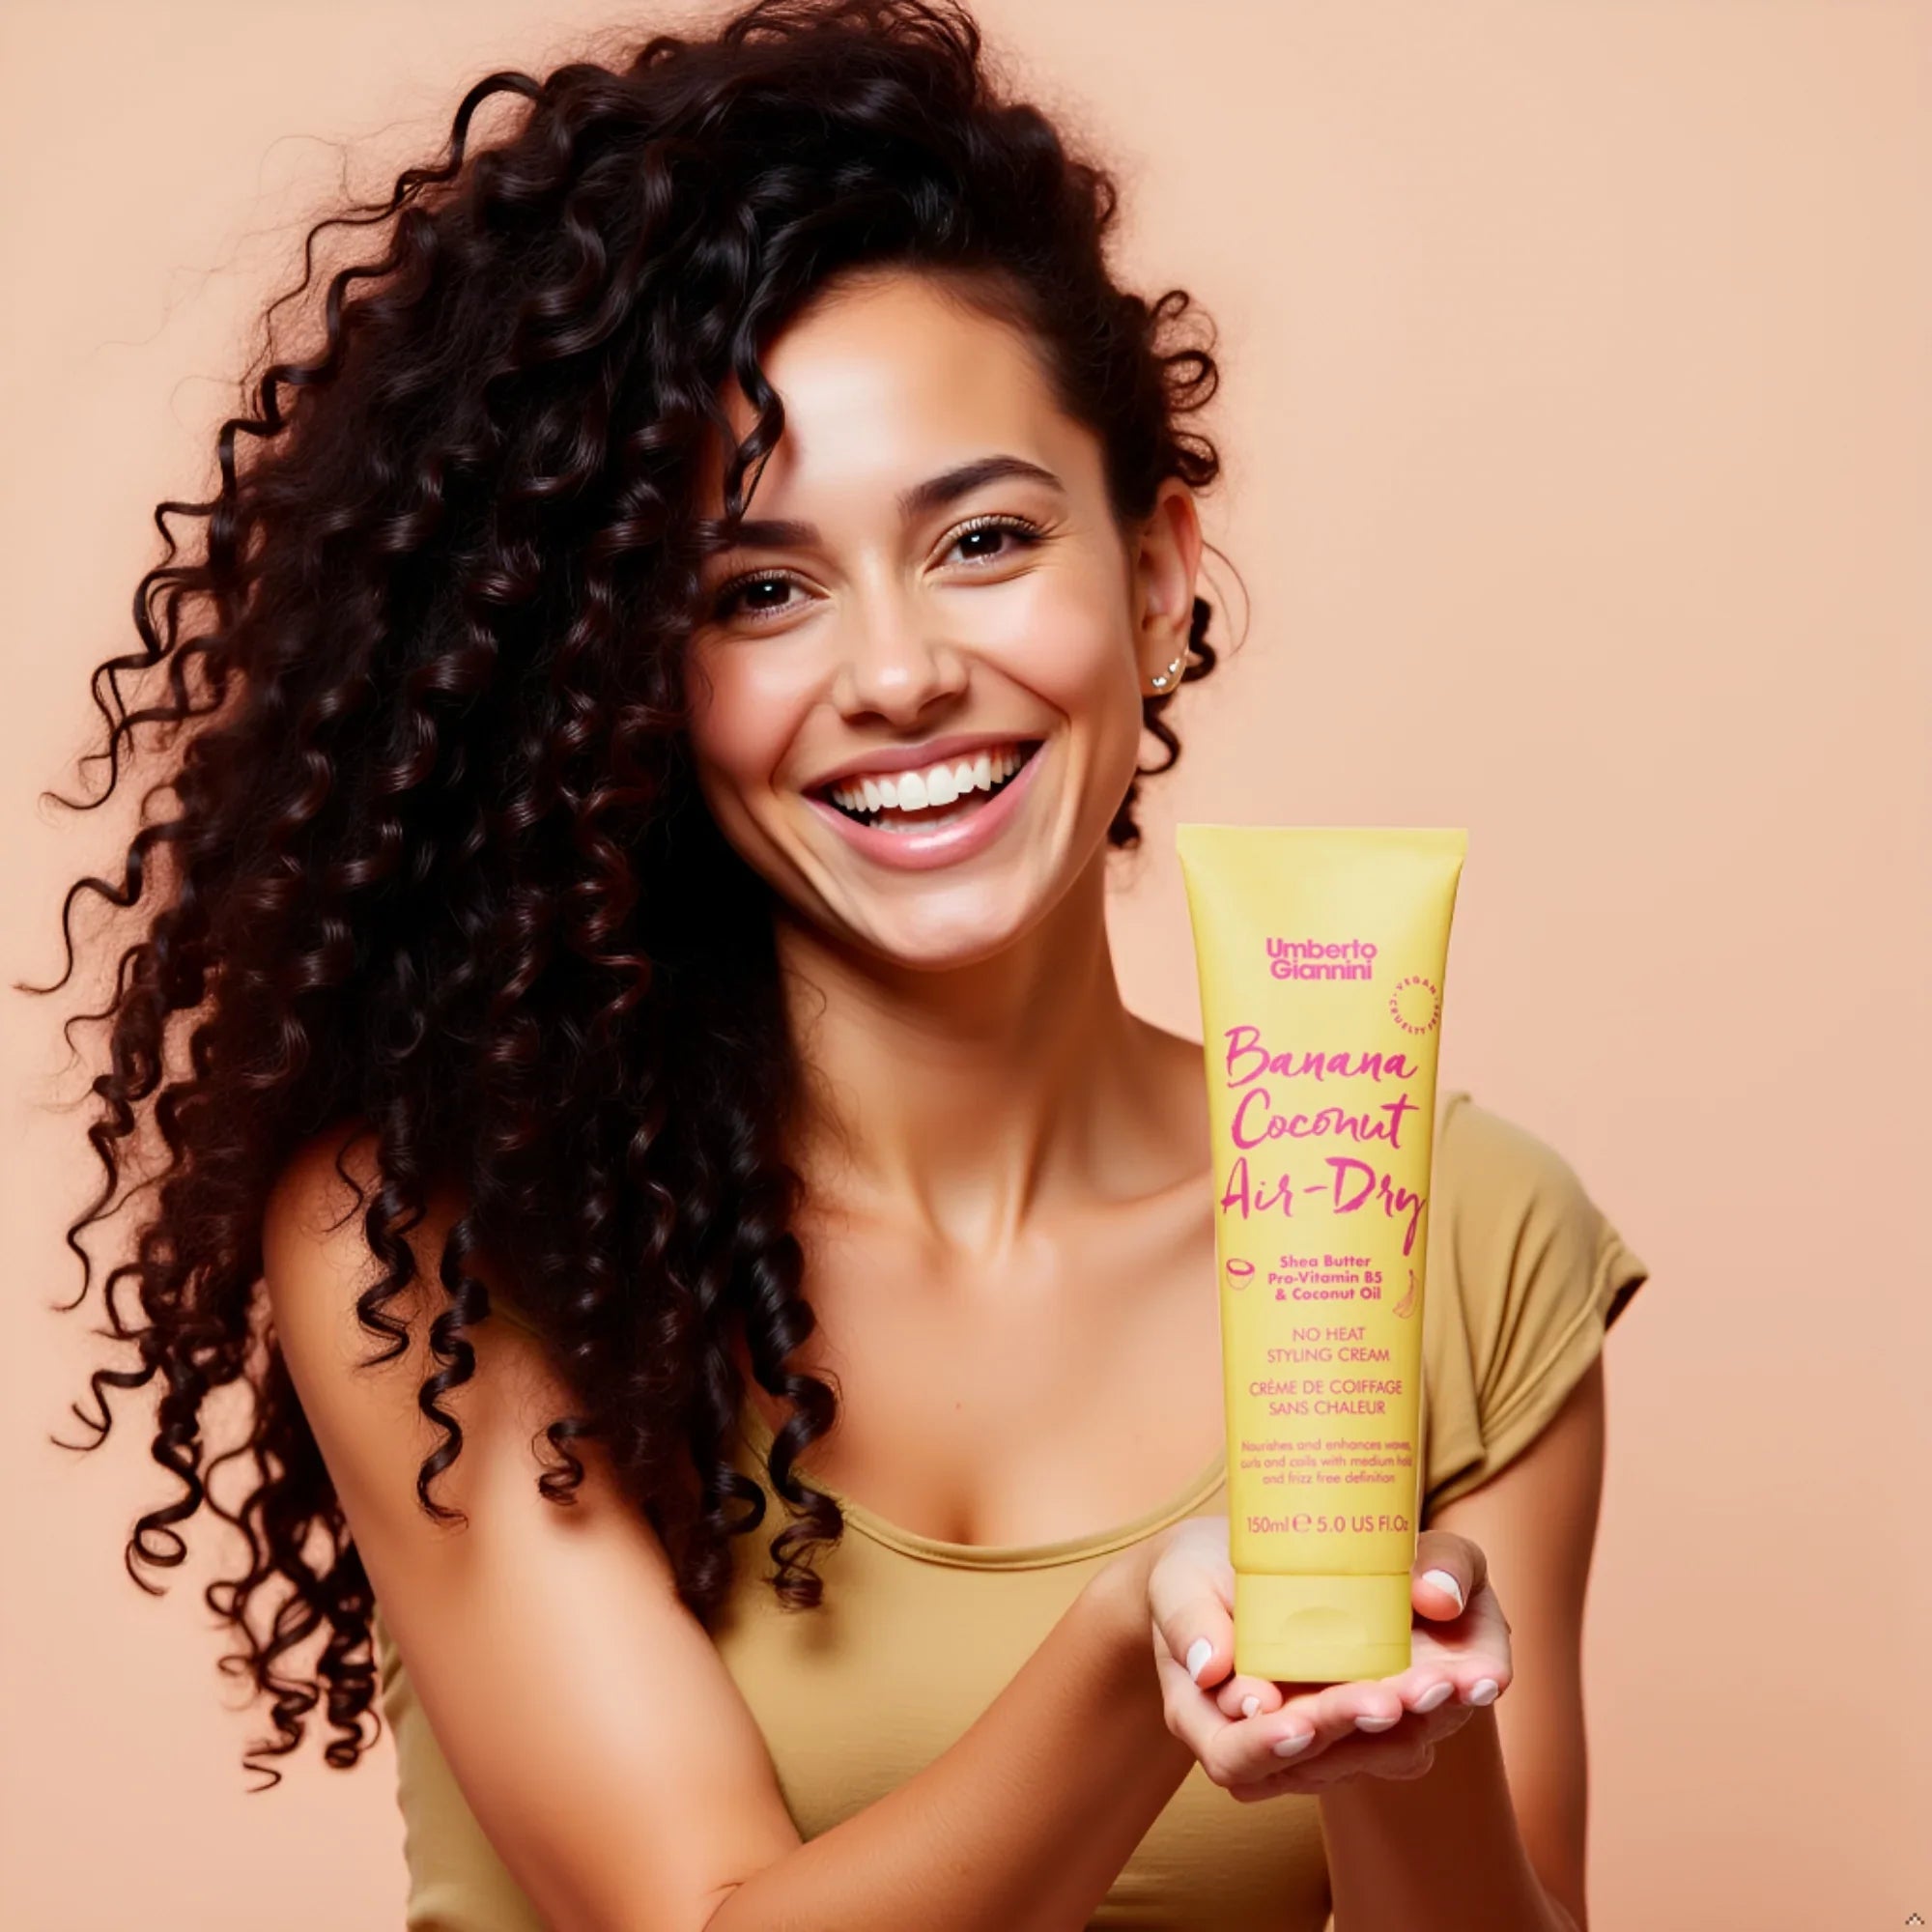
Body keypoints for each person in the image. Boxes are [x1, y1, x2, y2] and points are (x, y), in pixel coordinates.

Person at [43, 1, 1650, 1926]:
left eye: (981, 536)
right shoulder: (458, 1240)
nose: (895, 674)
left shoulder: (1462, 1240)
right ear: (632, 674)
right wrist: (1138, 1653)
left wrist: (1404, 1725)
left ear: (1153, 569)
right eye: (759, 591)